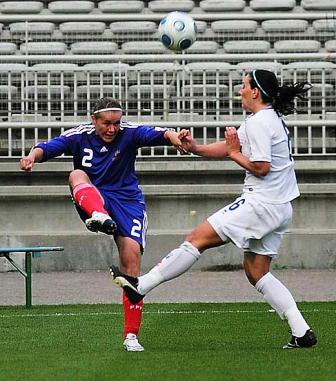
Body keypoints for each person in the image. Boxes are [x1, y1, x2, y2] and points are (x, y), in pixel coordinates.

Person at [110, 70, 318, 349]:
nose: (240, 91)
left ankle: (141, 286)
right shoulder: (266, 119)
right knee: (257, 272)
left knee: (197, 239)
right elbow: (226, 147)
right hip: (280, 207)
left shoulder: (260, 122)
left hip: (261, 204)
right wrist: (195, 147)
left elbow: (262, 167)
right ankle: (301, 331)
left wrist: (234, 153)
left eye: (244, 86)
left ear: (255, 91)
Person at [19, 97, 188, 352]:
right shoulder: (79, 135)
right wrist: (32, 156)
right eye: (106, 123)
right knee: (76, 174)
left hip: (127, 201)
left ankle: (131, 335)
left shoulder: (128, 133)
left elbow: (158, 133)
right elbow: (49, 146)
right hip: (93, 197)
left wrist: (175, 137)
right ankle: (99, 215)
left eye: (116, 123)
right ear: (94, 119)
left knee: (131, 261)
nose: (112, 129)